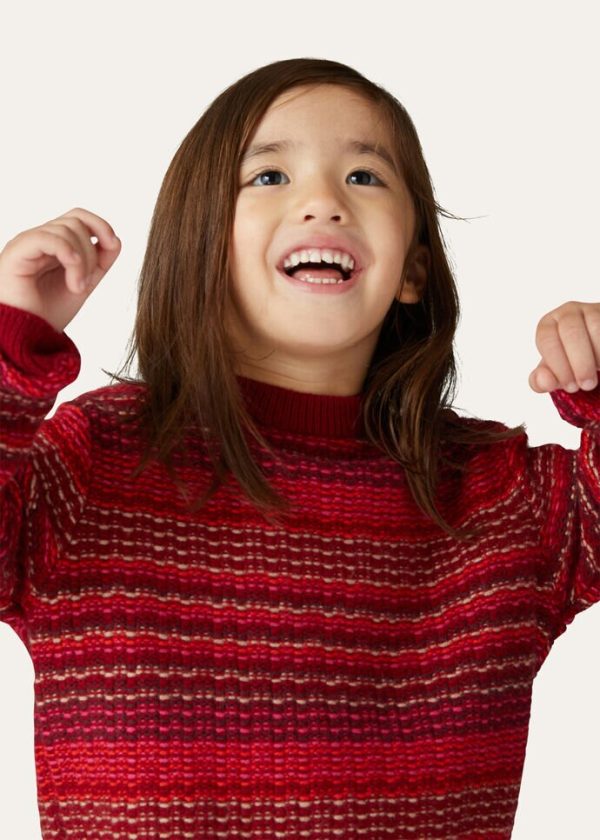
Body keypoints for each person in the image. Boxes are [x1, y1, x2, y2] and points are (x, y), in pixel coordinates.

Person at [0, 56, 598, 840]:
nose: (324, 202)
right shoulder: (95, 466)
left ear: (414, 268)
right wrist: (10, 341)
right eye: (270, 176)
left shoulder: (503, 501)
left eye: (365, 176)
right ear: (201, 245)